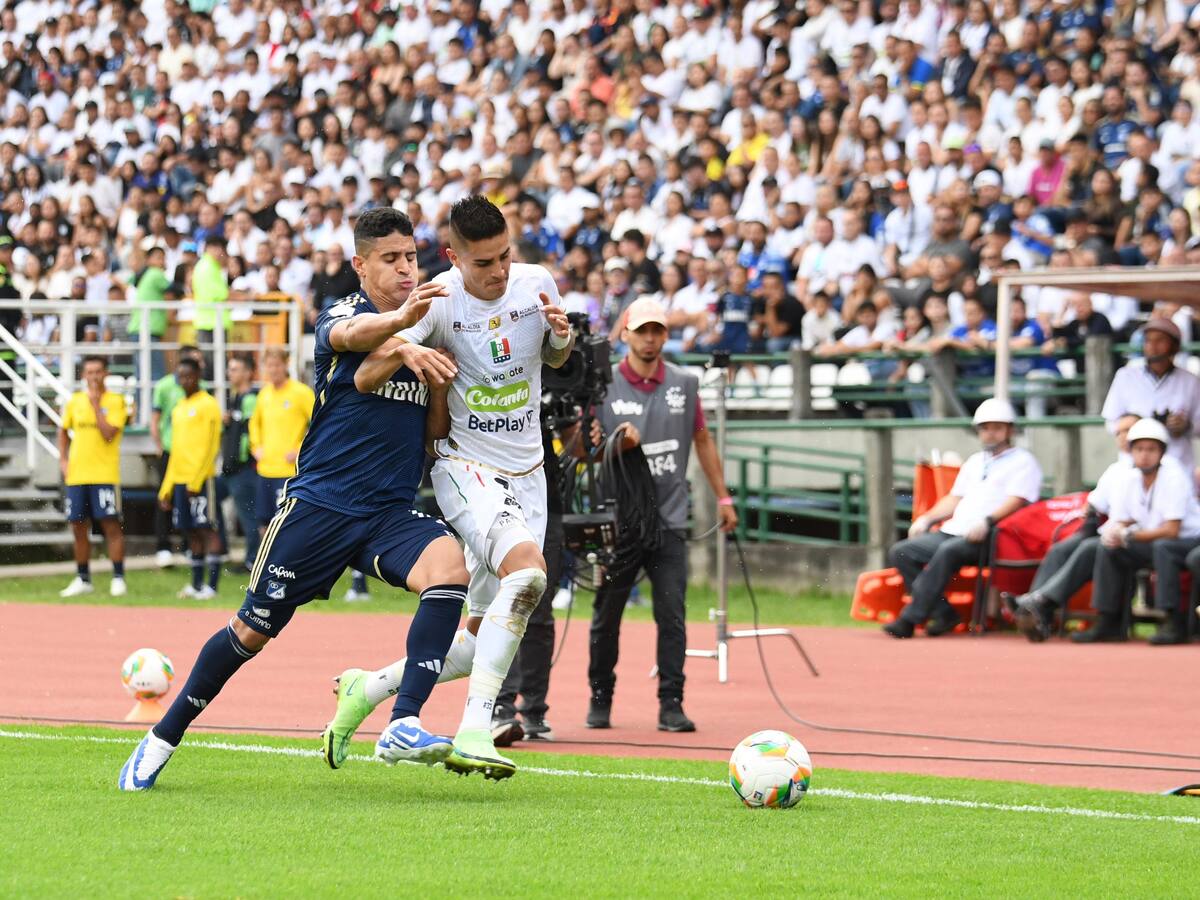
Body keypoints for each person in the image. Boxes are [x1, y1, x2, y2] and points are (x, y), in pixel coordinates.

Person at [120, 207, 468, 792]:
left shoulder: (427, 323)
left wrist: (434, 371)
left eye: (411, 257)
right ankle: (163, 736)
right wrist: (403, 334)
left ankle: (404, 721)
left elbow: (433, 434)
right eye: (391, 259)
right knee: (251, 632)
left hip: (387, 512)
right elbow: (353, 345)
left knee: (448, 569)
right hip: (320, 508)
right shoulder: (346, 312)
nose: (407, 269)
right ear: (362, 266)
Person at [333, 195, 574, 780]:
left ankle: (368, 689)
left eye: (504, 258)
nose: (498, 273)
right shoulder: (438, 300)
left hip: (529, 473)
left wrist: (561, 340)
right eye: (484, 263)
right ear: (453, 257)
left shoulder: (536, 282)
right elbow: (364, 377)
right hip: (464, 467)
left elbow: (557, 359)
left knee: (476, 637)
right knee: (529, 575)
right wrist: (408, 347)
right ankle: (476, 728)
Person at [587, 297, 738, 731]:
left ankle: (672, 704)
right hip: (619, 520)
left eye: (658, 331)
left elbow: (703, 440)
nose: (650, 339)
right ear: (626, 335)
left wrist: (723, 498)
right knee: (606, 613)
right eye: (643, 331)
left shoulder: (685, 384)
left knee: (672, 616)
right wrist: (616, 443)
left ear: (665, 336)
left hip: (671, 519)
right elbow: (590, 451)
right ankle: (601, 697)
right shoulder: (605, 384)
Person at [884, 399, 1043, 638]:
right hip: (956, 530)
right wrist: (927, 518)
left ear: (1010, 430)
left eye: (997, 427)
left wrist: (988, 521)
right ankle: (944, 613)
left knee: (949, 551)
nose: (990, 434)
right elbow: (955, 498)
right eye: (985, 428)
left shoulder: (1024, 461)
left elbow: (1017, 501)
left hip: (995, 535)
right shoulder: (975, 461)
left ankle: (910, 619)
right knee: (901, 551)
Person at [1006, 414, 1141, 641]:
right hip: (1107, 531)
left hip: (1137, 535)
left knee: (1090, 547)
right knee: (1061, 548)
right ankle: (1037, 610)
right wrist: (1089, 516)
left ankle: (1038, 603)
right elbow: (1095, 502)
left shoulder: (1157, 468)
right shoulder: (1116, 469)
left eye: (1129, 430)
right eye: (1119, 432)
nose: (1124, 437)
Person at [1072, 418, 1200, 644]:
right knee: (1108, 548)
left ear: (1162, 452)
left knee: (1164, 548)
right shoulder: (1128, 477)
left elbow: (1172, 530)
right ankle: (1109, 621)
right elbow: (1125, 519)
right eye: (1139, 449)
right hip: (1153, 540)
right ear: (1130, 451)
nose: (1145, 455)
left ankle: (1172, 621)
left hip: (1188, 540)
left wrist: (1129, 535)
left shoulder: (1174, 475)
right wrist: (1115, 532)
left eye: (1151, 449)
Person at [56, 356, 128, 598]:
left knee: (110, 524)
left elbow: (109, 433)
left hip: (104, 474)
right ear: (83, 375)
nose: (94, 376)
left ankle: (118, 577)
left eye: (98, 371)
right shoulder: (75, 401)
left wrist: (97, 405)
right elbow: (63, 430)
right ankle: (82, 577)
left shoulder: (116, 401)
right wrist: (63, 459)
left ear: (106, 373)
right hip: (77, 475)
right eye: (89, 372)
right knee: (77, 525)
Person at [158, 357, 224, 600]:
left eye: (188, 376)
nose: (184, 381)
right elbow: (176, 450)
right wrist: (166, 487)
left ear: (198, 376)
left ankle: (212, 586)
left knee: (207, 528)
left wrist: (197, 480)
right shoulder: (178, 408)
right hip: (180, 479)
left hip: (202, 480)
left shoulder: (208, 404)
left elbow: (211, 446)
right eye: (181, 377)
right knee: (190, 531)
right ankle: (196, 584)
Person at [1101, 318, 1200, 472]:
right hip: (1133, 465)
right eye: (1148, 340)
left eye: (1160, 340)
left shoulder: (1190, 380)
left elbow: (1198, 425)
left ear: (1174, 345)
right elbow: (1110, 421)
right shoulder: (1126, 376)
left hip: (1177, 464)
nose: (1152, 346)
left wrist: (1186, 425)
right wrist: (1125, 427)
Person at [149, 345, 204, 568]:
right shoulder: (163, 386)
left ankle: (188, 546)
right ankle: (163, 546)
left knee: (189, 499)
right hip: (171, 450)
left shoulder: (202, 391)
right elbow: (155, 417)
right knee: (165, 497)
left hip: (191, 453)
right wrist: (159, 444)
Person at [249, 347, 314, 533]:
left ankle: (290, 562)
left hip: (288, 471)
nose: (273, 370)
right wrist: (256, 447)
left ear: (286, 365)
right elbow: (255, 424)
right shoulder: (264, 394)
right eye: (269, 365)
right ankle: (266, 562)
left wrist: (300, 450)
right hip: (265, 470)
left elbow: (318, 424)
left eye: (277, 365)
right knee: (264, 524)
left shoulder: (301, 393)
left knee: (287, 524)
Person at [216, 353, 259, 569]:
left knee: (248, 516)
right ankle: (220, 547)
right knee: (211, 495)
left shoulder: (251, 397)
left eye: (234, 369)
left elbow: (251, 432)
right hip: (230, 469)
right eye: (229, 369)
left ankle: (252, 561)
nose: (229, 373)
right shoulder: (235, 397)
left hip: (242, 469)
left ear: (247, 373)